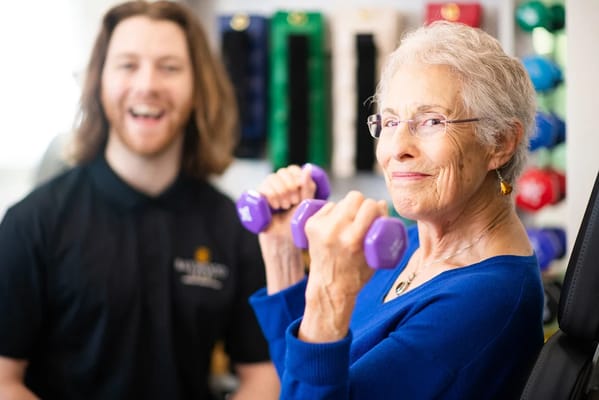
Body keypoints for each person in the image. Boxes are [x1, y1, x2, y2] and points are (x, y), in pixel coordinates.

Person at [248, 21, 544, 399]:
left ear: (500, 142)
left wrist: (329, 293)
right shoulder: (408, 242)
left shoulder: (485, 300)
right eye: (390, 121)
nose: (396, 148)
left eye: (432, 121)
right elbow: (303, 378)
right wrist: (282, 251)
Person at [0, 1, 279, 399]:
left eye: (169, 67)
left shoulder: (232, 227)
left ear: (198, 86)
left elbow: (263, 376)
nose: (147, 84)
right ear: (99, 81)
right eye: (128, 65)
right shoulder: (32, 223)